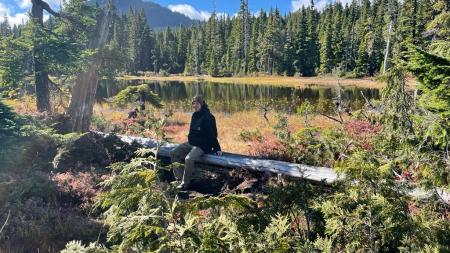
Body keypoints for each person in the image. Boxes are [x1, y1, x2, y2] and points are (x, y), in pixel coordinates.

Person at [170, 95, 222, 190]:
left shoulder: (208, 117)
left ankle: (185, 184)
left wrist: (217, 148)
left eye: (197, 103)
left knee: (189, 159)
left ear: (202, 104)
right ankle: (179, 180)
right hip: (192, 143)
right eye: (193, 103)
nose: (195, 105)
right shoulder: (194, 115)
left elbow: (212, 134)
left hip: (203, 145)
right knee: (173, 153)